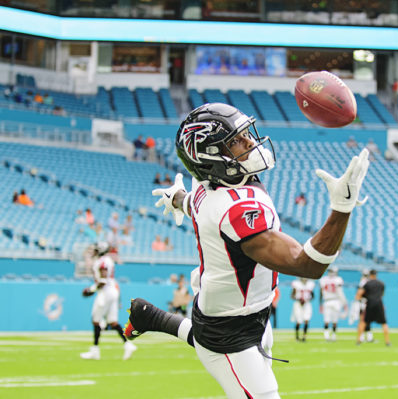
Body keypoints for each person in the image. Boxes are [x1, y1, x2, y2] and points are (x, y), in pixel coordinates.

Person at [123, 103, 370, 399]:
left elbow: (196, 202)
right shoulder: (236, 209)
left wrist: (178, 199)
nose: (250, 143)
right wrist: (341, 209)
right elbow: (306, 266)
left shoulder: (210, 186)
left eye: (245, 134)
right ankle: (152, 318)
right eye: (237, 140)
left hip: (248, 312)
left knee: (210, 342)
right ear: (212, 156)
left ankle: (149, 316)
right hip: (229, 332)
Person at [80, 242, 137, 360]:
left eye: (96, 250)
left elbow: (103, 280)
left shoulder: (102, 262)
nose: (94, 252)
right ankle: (128, 344)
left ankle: (95, 350)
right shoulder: (108, 260)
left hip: (105, 292)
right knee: (113, 322)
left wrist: (91, 289)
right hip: (112, 291)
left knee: (95, 320)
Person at [356, 269, 390, 346]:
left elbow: (358, 294)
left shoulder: (367, 283)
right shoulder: (381, 283)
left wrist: (361, 299)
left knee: (363, 321)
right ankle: (387, 341)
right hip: (379, 303)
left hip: (370, 303)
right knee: (384, 323)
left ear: (370, 275)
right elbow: (382, 295)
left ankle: (358, 340)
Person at [319, 266, 347, 342]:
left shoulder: (323, 279)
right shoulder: (338, 279)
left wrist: (320, 303)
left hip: (328, 301)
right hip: (335, 301)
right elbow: (340, 292)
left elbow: (321, 293)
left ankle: (327, 336)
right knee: (333, 320)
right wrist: (344, 303)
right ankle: (332, 336)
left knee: (328, 320)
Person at [291, 277, 315, 342]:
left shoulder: (310, 284)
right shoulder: (296, 284)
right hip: (298, 304)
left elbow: (313, 296)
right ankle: (297, 337)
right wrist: (299, 299)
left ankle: (304, 337)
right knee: (299, 321)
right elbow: (292, 296)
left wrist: (306, 299)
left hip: (307, 303)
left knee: (307, 319)